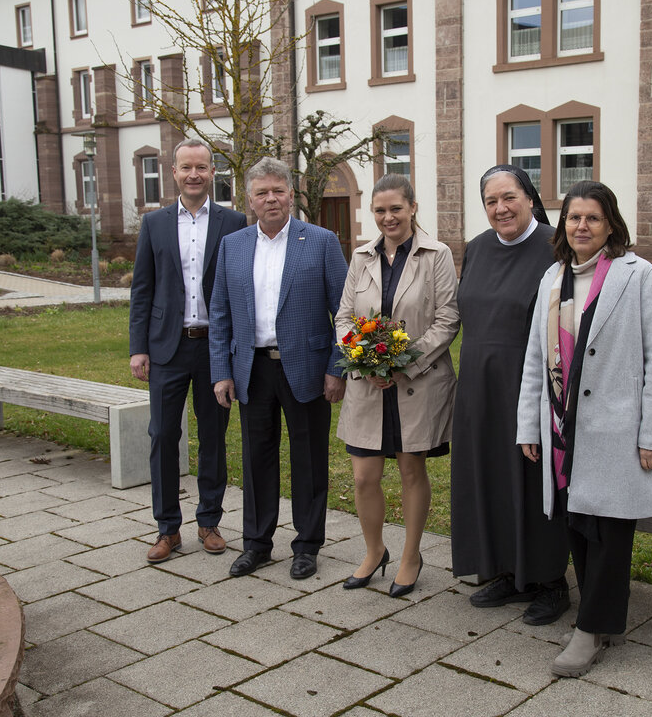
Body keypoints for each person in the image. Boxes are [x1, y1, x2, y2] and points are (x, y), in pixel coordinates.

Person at [517, 180, 652, 677]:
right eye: (573, 217)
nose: (581, 226)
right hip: (562, 429)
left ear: (610, 225)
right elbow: (535, 361)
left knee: (608, 531)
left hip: (615, 431)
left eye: (592, 218)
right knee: (579, 526)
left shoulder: (637, 275)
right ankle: (601, 619)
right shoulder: (552, 278)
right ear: (563, 224)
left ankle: (589, 630)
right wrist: (529, 426)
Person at [209, 156, 348, 581]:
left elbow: (345, 312)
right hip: (252, 368)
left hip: (306, 368)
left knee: (309, 460)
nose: (271, 199)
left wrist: (337, 369)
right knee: (257, 459)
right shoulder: (233, 246)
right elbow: (220, 313)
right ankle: (257, 544)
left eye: (278, 191)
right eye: (262, 193)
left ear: (291, 194)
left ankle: (307, 546)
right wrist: (222, 370)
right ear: (249, 200)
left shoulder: (321, 241)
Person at [450, 164, 572, 625]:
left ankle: (549, 580)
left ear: (529, 198)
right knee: (489, 475)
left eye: (509, 198)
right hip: (480, 386)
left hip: (532, 385)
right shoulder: (477, 249)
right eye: (491, 201)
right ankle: (505, 569)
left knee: (531, 479)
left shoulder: (553, 249)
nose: (500, 209)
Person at [335, 174, 460, 598]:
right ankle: (374, 552)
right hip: (367, 384)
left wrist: (402, 365)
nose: (388, 217)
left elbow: (448, 320)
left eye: (395, 209)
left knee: (410, 469)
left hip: (416, 383)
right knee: (365, 476)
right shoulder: (361, 257)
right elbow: (344, 318)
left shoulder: (436, 254)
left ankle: (410, 556)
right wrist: (365, 359)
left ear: (412, 208)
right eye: (380, 210)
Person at [129, 138, 247, 564]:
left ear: (212, 172)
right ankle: (167, 528)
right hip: (167, 348)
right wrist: (138, 347)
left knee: (213, 436)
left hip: (215, 349)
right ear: (173, 172)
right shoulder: (154, 223)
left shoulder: (234, 222)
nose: (193, 174)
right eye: (186, 167)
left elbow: (240, 287)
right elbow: (142, 290)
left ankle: (209, 521)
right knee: (162, 435)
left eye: (201, 167)